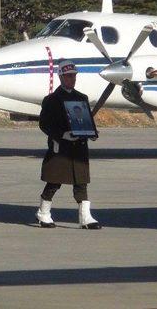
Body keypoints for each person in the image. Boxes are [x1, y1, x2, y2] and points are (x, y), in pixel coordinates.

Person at [36, 60, 101, 230]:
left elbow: (86, 121)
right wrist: (61, 135)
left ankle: (85, 217)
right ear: (61, 77)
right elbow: (44, 124)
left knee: (81, 182)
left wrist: (91, 132)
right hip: (61, 148)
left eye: (74, 76)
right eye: (69, 76)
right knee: (54, 181)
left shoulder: (81, 98)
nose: (72, 79)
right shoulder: (51, 100)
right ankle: (43, 213)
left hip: (79, 147)